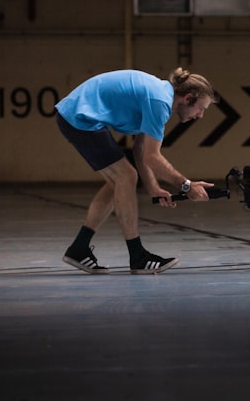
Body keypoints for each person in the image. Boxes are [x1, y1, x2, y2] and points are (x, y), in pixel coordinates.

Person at [55, 67, 218, 275]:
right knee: (125, 176)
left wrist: (153, 188)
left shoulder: (159, 96)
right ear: (188, 98)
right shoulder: (159, 102)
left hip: (79, 114)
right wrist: (186, 186)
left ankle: (79, 248)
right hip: (80, 117)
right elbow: (153, 156)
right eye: (201, 109)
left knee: (119, 180)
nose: (200, 116)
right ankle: (138, 256)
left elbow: (140, 149)